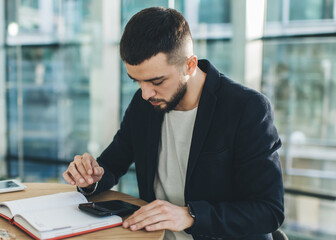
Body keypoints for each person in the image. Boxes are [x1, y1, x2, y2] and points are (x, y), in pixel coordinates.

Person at [63, 7, 284, 240]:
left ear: (190, 65)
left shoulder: (246, 108)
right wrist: (90, 179)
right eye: (137, 81)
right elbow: (112, 164)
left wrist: (191, 216)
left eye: (156, 81)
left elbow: (269, 210)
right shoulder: (145, 103)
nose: (146, 93)